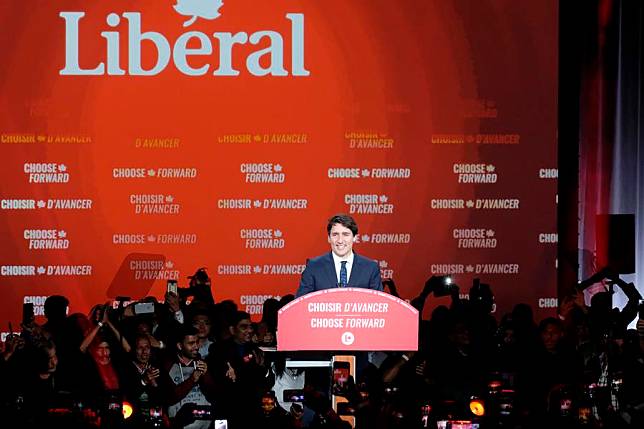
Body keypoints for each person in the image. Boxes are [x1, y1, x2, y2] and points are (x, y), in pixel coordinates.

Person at [296, 214, 383, 297]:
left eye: (345, 234)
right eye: (335, 235)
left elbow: (380, 306)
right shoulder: (314, 266)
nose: (340, 240)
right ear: (329, 238)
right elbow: (301, 304)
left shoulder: (370, 268)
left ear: (355, 237)